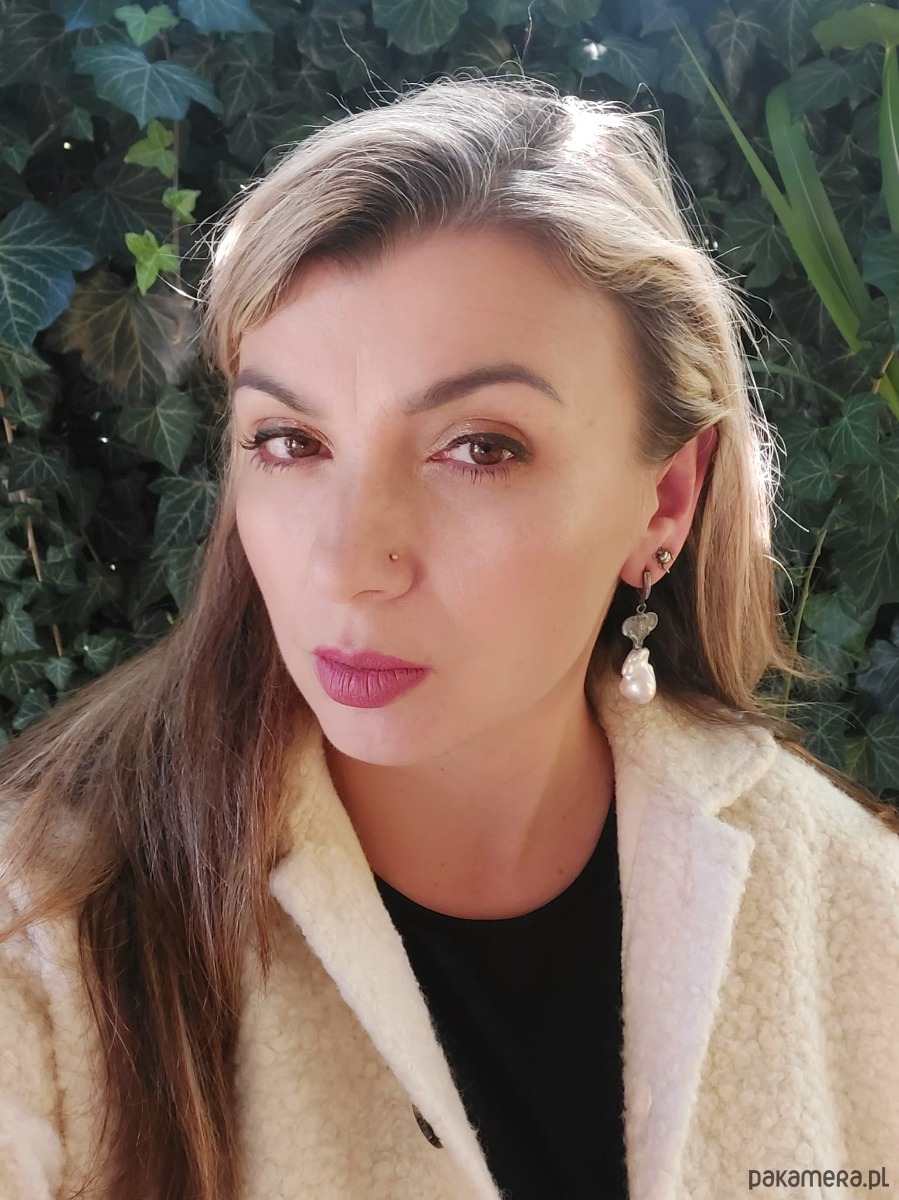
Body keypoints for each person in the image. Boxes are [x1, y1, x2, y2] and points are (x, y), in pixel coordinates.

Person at [1, 71, 898, 1200]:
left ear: (664, 501)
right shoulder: (44, 927)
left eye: (479, 448)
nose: (347, 563)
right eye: (288, 441)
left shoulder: (853, 910)